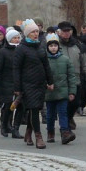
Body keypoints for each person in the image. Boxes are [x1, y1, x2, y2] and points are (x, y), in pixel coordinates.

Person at [13, 19, 54, 149]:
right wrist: (17, 88)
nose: (36, 34)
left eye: (37, 31)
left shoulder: (40, 47)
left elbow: (46, 65)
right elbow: (16, 69)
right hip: (27, 84)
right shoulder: (21, 49)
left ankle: (28, 132)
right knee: (34, 108)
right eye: (33, 32)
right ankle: (38, 136)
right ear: (27, 34)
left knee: (34, 108)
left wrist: (50, 81)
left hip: (40, 83)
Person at [44, 32, 78, 144]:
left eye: (55, 45)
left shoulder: (65, 59)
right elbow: (41, 75)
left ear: (58, 46)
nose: (53, 48)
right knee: (50, 114)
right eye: (51, 46)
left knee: (63, 112)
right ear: (47, 47)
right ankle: (50, 132)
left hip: (63, 92)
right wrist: (46, 85)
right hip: (49, 92)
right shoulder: (44, 60)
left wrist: (72, 91)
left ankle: (65, 132)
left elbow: (71, 77)